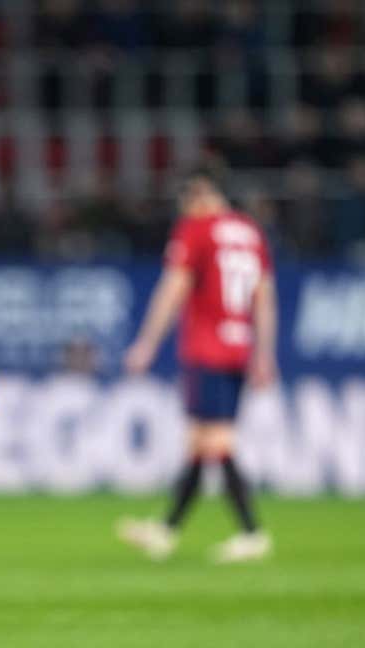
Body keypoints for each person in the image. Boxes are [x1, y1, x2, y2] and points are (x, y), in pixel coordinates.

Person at [117, 169, 278, 563]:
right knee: (198, 442)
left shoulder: (197, 228)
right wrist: (264, 352)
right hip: (239, 348)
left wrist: (147, 343)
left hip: (207, 350)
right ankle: (167, 530)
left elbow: (174, 288)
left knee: (216, 442)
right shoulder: (250, 232)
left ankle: (252, 533)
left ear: (197, 197)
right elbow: (265, 295)